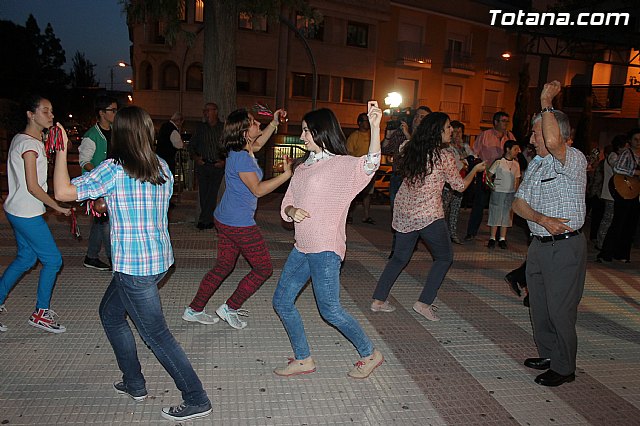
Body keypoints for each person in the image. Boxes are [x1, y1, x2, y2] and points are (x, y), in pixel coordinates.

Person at [53, 106, 212, 421]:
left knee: (156, 334)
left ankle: (196, 397)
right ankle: (133, 382)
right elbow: (138, 201)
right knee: (110, 314)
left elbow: (62, 191)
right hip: (158, 261)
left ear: (120, 133)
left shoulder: (113, 169)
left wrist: (60, 150)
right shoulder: (162, 166)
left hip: (133, 268)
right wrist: (104, 202)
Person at [272, 104, 384, 379]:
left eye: (307, 131)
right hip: (302, 248)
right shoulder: (301, 169)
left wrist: (375, 125)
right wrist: (291, 211)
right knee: (282, 302)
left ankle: (370, 354)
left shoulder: (342, 166)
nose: (302, 137)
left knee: (331, 311)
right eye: (303, 131)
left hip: (325, 251)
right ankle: (303, 359)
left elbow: (371, 163)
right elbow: (287, 203)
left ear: (322, 131)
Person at [371, 112, 485, 322]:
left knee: (399, 257)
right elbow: (459, 187)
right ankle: (424, 302)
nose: (452, 130)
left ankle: (378, 300)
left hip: (405, 212)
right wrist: (475, 170)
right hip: (429, 216)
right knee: (444, 258)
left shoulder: (408, 148)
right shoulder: (444, 157)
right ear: (437, 131)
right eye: (448, 127)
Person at [184, 108, 291, 329]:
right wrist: (287, 174)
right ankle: (230, 307)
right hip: (238, 223)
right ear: (243, 132)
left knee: (223, 266)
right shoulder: (242, 157)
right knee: (263, 269)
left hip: (225, 218)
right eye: (253, 123)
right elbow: (259, 190)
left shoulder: (241, 150)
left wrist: (274, 123)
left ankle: (194, 309)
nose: (257, 125)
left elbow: (259, 144)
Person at [512, 80, 587, 387]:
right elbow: (518, 204)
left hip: (565, 248)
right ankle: (549, 354)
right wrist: (541, 218)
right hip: (539, 246)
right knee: (539, 308)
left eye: (535, 131)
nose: (531, 137)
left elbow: (555, 143)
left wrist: (546, 101)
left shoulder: (573, 159)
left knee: (560, 310)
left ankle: (565, 367)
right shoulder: (538, 164)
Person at [0, 95, 71, 334]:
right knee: (53, 260)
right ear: (31, 115)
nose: (51, 116)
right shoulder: (29, 145)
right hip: (27, 213)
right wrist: (58, 206)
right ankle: (41, 313)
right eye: (45, 111)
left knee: (26, 259)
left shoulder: (23, 139)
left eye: (51, 111)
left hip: (18, 209)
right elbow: (33, 186)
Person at [382, 106, 431, 257]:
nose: (418, 119)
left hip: (415, 181)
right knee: (397, 212)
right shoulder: (401, 131)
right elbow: (385, 149)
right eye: (417, 115)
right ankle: (399, 247)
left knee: (411, 214)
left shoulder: (428, 137)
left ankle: (402, 247)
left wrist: (408, 135)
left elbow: (420, 155)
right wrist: (389, 135)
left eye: (423, 117)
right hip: (398, 177)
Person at [78, 95, 118, 271]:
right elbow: (84, 161)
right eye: (112, 110)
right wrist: (98, 175)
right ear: (102, 113)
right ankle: (114, 259)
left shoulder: (115, 131)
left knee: (100, 222)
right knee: (107, 223)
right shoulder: (91, 135)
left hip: (111, 183)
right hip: (99, 186)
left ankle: (91, 256)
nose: (116, 113)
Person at [465, 111, 515, 241]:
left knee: (502, 205)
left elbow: (515, 154)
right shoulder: (485, 135)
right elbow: (475, 153)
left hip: (503, 176)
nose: (505, 124)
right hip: (486, 174)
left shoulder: (510, 136)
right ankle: (472, 232)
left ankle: (499, 236)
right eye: (503, 121)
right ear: (496, 122)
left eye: (507, 121)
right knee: (479, 203)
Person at [597, 128, 640, 263]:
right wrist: (635, 172)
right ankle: (606, 253)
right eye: (635, 139)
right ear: (630, 141)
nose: (638, 142)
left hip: (636, 193)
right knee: (618, 222)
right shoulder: (627, 153)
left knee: (630, 224)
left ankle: (622, 254)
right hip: (624, 192)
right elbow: (617, 168)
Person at [190, 102, 225, 230]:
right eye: (204, 111)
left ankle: (205, 220)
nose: (205, 113)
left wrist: (224, 161)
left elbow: (229, 146)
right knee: (204, 193)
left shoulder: (223, 128)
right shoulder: (200, 128)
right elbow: (192, 145)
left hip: (217, 165)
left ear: (215, 111)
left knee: (212, 193)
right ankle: (207, 220)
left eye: (208, 110)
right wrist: (196, 158)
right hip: (203, 165)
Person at [442, 120, 473, 244]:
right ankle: (442, 235)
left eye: (460, 132)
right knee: (444, 210)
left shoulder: (465, 147)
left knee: (455, 209)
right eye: (455, 132)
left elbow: (471, 158)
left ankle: (452, 233)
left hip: (461, 181)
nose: (457, 135)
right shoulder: (447, 147)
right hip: (448, 184)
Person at [486, 140, 521, 249]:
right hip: (498, 191)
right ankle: (492, 238)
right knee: (495, 212)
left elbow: (517, 179)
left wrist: (516, 192)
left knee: (506, 216)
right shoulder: (499, 162)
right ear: (508, 149)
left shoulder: (516, 164)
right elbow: (488, 175)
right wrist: (491, 185)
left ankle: (502, 238)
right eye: (515, 149)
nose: (517, 151)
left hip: (510, 193)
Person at [596, 135, 628, 250]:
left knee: (610, 219)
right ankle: (601, 242)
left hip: (617, 193)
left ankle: (606, 243)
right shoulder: (613, 156)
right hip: (610, 193)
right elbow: (618, 170)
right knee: (608, 219)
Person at [346, 112, 376, 224]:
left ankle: (367, 216)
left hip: (370, 169)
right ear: (359, 123)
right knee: (354, 193)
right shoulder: (354, 136)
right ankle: (349, 215)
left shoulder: (372, 135)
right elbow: (349, 153)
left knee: (368, 194)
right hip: (357, 169)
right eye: (365, 120)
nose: (367, 123)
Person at [156, 111, 185, 175]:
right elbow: (179, 145)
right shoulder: (173, 130)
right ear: (179, 121)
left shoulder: (164, 126)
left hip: (159, 157)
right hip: (168, 159)